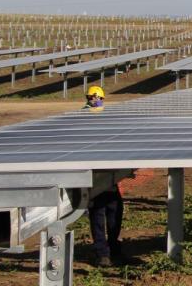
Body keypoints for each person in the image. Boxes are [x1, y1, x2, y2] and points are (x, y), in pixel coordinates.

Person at [83, 86, 123, 267]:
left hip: (107, 174)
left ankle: (112, 248)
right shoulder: (83, 118)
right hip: (94, 176)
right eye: (93, 98)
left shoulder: (106, 118)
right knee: (99, 213)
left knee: (114, 210)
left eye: (96, 98)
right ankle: (102, 252)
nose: (95, 101)